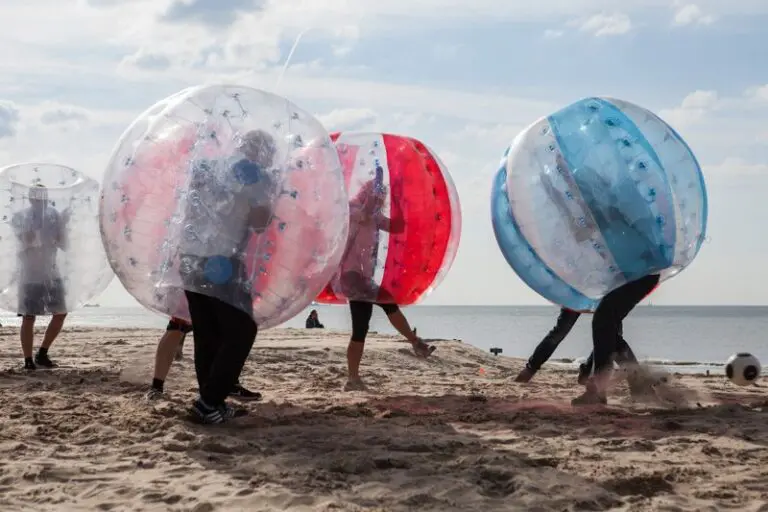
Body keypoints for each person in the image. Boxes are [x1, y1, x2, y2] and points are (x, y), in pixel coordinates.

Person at [177, 129, 278, 424]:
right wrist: (270, 200)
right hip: (220, 262)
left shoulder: (209, 166)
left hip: (189, 256)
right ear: (261, 152)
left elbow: (189, 208)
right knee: (242, 330)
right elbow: (260, 223)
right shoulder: (253, 173)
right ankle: (209, 402)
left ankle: (208, 401)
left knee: (208, 332)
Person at [339, 169, 435, 391]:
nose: (380, 200)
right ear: (367, 192)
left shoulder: (375, 216)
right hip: (351, 275)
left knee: (362, 327)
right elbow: (361, 215)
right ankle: (415, 343)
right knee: (385, 304)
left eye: (382, 197)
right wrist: (375, 189)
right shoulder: (353, 209)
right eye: (378, 195)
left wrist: (398, 201)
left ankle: (353, 379)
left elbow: (398, 227)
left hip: (364, 276)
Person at [514, 307, 642, 392]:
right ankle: (530, 369)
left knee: (612, 333)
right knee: (561, 330)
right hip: (579, 284)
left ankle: (588, 371)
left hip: (605, 283)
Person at [12, 184, 70, 370]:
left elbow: (64, 245)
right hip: (30, 275)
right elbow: (26, 241)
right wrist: (40, 226)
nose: (40, 202)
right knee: (29, 317)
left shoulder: (55, 216)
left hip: (51, 273)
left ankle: (42, 353)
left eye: (43, 198)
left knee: (60, 313)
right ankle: (28, 360)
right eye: (37, 198)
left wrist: (62, 224)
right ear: (30, 198)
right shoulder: (21, 216)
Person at [144, 316, 263, 402]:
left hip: (229, 283)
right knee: (178, 324)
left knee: (229, 324)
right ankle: (156, 386)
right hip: (197, 283)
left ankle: (230, 384)